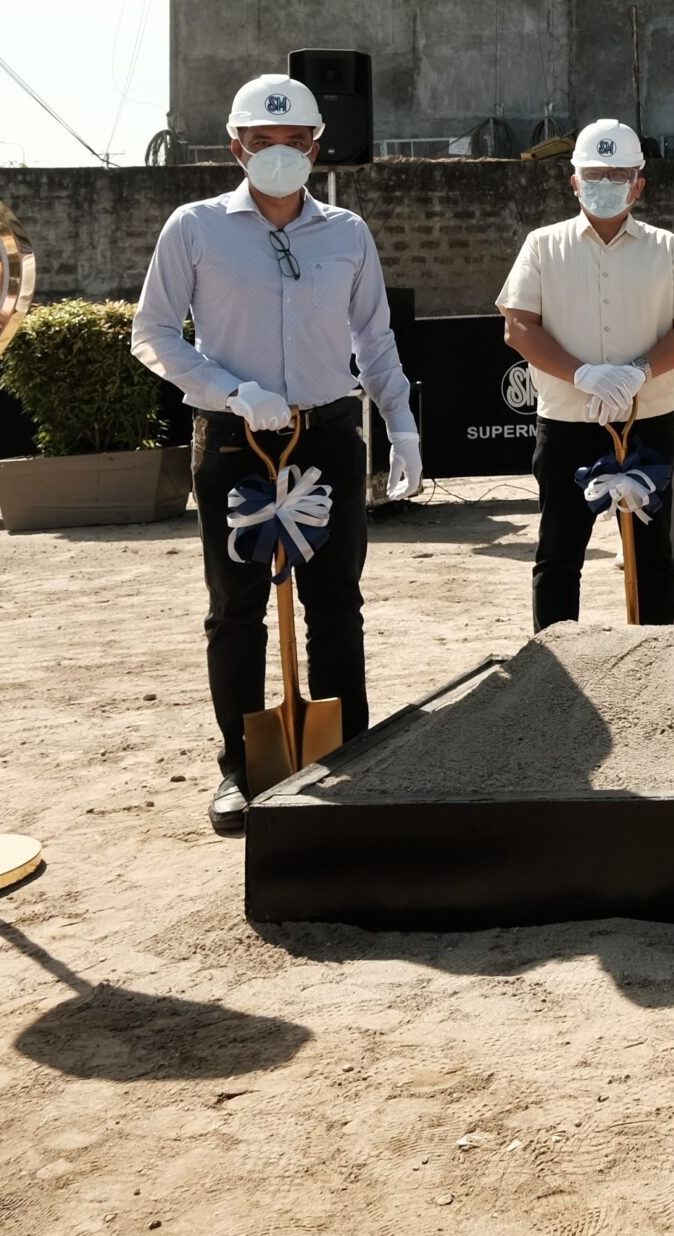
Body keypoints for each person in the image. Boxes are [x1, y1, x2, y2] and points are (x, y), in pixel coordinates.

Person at [132, 72, 423, 834]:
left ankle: (349, 755)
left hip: (325, 433)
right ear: (236, 147)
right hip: (233, 440)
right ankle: (240, 765)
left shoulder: (347, 233)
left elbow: (374, 339)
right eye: (264, 143)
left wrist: (402, 423)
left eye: (296, 142)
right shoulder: (194, 229)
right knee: (236, 611)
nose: (281, 155)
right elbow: (153, 334)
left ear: (318, 146)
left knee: (336, 604)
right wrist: (234, 392)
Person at [497, 118, 674, 631]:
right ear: (573, 181)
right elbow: (519, 327)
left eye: (618, 176)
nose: (605, 186)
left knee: (651, 553)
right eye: (594, 175)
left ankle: (654, 658)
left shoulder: (666, 247)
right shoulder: (543, 246)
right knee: (559, 553)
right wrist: (583, 374)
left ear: (639, 183)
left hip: (647, 422)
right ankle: (553, 671)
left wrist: (639, 371)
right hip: (569, 421)